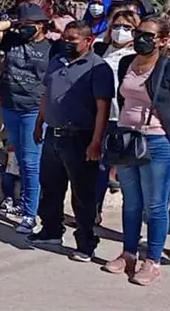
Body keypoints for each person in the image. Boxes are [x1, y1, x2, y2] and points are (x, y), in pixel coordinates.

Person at [105, 16, 170, 286]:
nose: (141, 39)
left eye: (148, 35)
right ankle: (128, 254)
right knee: (131, 202)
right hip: (126, 140)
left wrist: (166, 125)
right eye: (139, 33)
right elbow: (124, 98)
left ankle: (153, 260)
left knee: (156, 205)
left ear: (162, 40)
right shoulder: (126, 63)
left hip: (156, 143)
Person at [30, 21, 113, 262]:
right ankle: (51, 230)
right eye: (65, 37)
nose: (67, 42)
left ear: (89, 41)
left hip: (80, 137)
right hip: (52, 135)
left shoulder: (98, 68)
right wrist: (39, 123)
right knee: (50, 186)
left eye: (73, 39)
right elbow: (47, 95)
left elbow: (102, 107)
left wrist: (96, 142)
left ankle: (86, 242)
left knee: (82, 194)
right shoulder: (57, 62)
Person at [0, 3, 52, 235]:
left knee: (31, 163)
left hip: (33, 110)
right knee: (16, 157)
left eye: (29, 25)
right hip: (10, 106)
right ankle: (23, 206)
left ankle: (30, 214)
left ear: (42, 25)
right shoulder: (12, 39)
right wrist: (16, 23)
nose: (24, 28)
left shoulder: (51, 48)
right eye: (22, 24)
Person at [92, 10, 141, 214]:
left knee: (125, 170)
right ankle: (93, 213)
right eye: (117, 26)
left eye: (127, 28)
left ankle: (133, 222)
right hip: (98, 115)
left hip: (123, 118)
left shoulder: (137, 56)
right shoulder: (99, 48)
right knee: (97, 168)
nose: (121, 31)